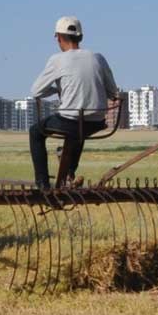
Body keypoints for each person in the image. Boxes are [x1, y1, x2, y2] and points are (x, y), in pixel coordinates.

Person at [28, 15, 118, 189]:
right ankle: (69, 172)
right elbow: (113, 91)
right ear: (80, 37)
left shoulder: (57, 60)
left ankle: (42, 184)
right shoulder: (98, 58)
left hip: (70, 121)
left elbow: (36, 91)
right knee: (80, 127)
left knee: (35, 133)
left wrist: (56, 90)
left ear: (59, 38)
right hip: (96, 121)